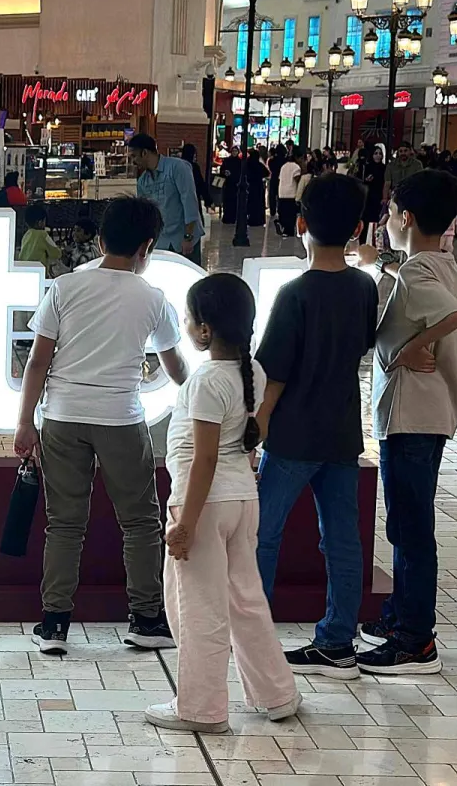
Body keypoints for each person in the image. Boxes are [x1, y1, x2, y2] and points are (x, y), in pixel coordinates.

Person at [14, 196, 188, 655]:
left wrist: (25, 422)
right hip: (121, 420)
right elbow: (175, 368)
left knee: (64, 524)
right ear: (147, 247)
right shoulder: (152, 298)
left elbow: (37, 362)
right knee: (140, 522)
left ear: (98, 239)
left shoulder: (66, 287)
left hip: (62, 417)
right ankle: (146, 619)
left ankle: (54, 624)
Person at [145, 273, 300, 734]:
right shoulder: (252, 372)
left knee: (197, 608)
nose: (188, 326)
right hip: (241, 501)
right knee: (245, 601)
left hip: (204, 506)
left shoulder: (205, 381)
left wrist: (184, 524)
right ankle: (277, 694)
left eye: (189, 319)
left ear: (205, 329)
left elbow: (205, 459)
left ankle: (201, 708)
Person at [254, 173, 378, 680]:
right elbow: (365, 347)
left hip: (292, 436)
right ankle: (337, 640)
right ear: (356, 228)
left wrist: (255, 429)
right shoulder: (364, 288)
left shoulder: (295, 293)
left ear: (300, 223)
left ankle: (255, 633)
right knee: (342, 538)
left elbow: (275, 375)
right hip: (343, 431)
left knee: (262, 534)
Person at [355, 169, 457, 675]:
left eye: (388, 212)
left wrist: (411, 350)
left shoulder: (420, 270)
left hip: (414, 418)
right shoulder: (436, 261)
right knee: (406, 523)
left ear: (405, 218)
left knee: (410, 529)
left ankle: (415, 640)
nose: (384, 221)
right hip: (423, 415)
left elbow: (455, 315)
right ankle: (401, 616)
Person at [129, 133, 201, 259]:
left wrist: (188, 237)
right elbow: (146, 214)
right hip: (161, 243)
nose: (133, 161)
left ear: (145, 153)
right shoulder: (143, 181)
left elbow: (189, 202)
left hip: (184, 239)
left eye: (134, 156)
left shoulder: (178, 168)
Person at [17, 202, 62, 275]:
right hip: (39, 271)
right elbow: (56, 253)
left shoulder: (26, 235)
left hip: (24, 269)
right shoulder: (43, 235)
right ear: (40, 222)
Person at [358, 145, 386, 244]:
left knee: (377, 221)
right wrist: (366, 180)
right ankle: (363, 243)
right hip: (368, 198)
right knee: (366, 220)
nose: (378, 156)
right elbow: (360, 181)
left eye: (380, 153)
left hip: (379, 198)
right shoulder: (367, 167)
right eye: (376, 153)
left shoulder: (384, 168)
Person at [275, 151, 302, 238]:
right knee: (290, 214)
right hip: (291, 193)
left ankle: (281, 224)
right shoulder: (296, 167)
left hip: (282, 192)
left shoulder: (284, 166)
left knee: (283, 212)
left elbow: (280, 178)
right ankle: (288, 231)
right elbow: (296, 178)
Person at [180, 143, 212, 211]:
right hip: (193, 197)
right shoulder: (193, 167)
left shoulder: (177, 166)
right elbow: (200, 184)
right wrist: (208, 200)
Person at [246, 149, 269, 227]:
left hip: (249, 186)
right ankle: (259, 220)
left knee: (250, 203)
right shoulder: (259, 165)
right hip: (258, 186)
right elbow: (267, 172)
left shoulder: (247, 163)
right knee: (258, 203)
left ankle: (250, 219)